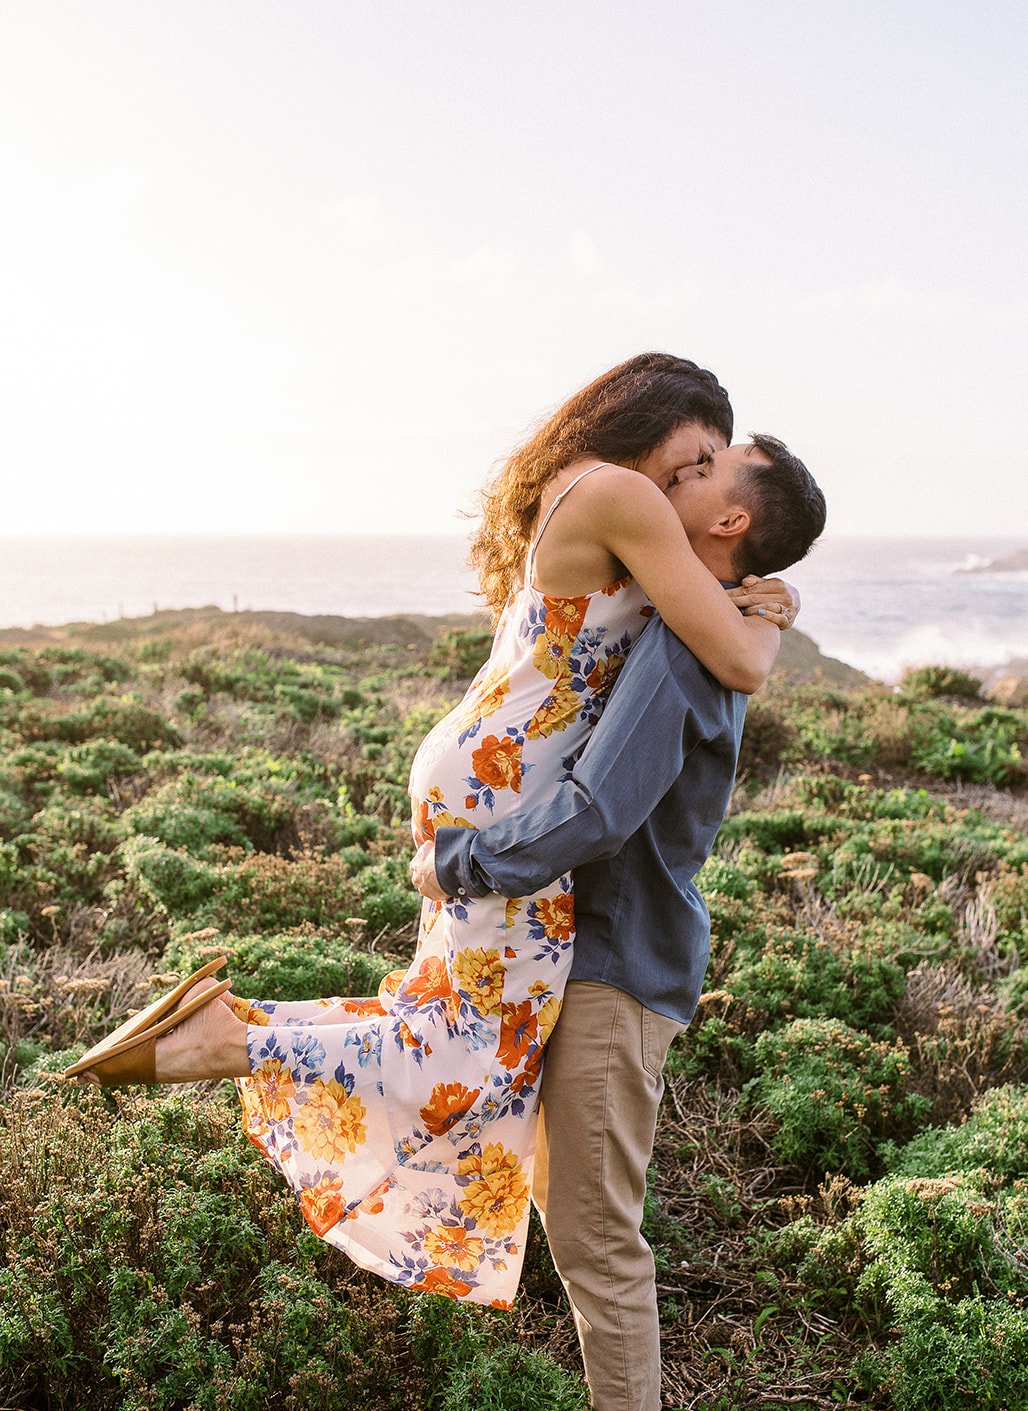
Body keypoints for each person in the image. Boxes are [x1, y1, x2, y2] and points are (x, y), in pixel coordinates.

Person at [65, 354, 798, 1315]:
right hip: (515, 797)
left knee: (449, 1017)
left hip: (487, 775)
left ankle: (247, 1028)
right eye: (697, 452)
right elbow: (736, 660)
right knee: (471, 1051)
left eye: (712, 467)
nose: (695, 478)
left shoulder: (592, 493)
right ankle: (229, 1042)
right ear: (649, 422)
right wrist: (773, 611)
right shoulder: (623, 492)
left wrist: (761, 591)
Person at [410, 434, 826, 1411]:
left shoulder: (691, 650)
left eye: (704, 472)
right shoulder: (697, 625)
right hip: (587, 956)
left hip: (612, 964)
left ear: (730, 523)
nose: (674, 480)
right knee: (575, 1216)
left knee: (596, 1237)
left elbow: (600, 811)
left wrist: (460, 863)